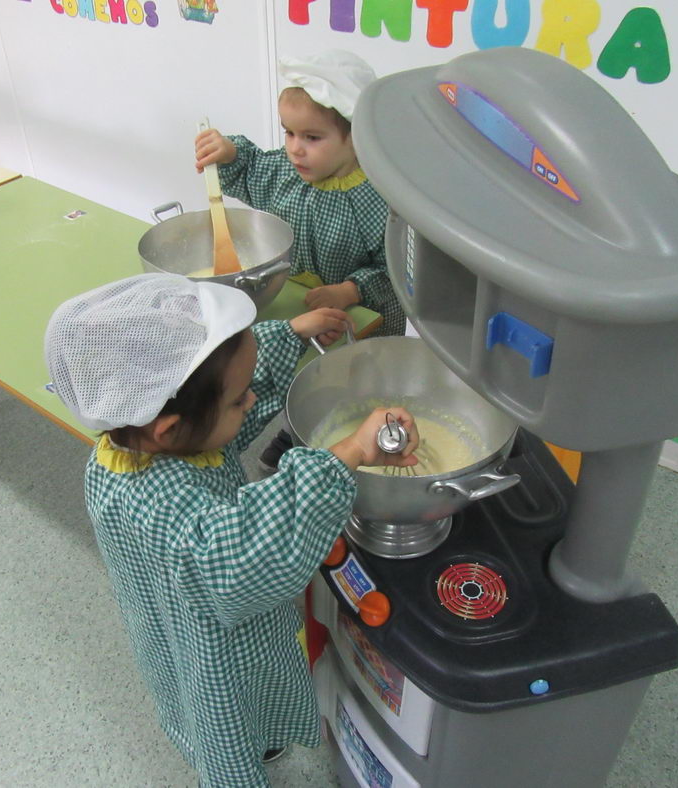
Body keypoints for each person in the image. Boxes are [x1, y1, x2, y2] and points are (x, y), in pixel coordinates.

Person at [44, 273, 419, 788]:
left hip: (170, 609)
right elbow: (246, 549)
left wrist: (291, 334)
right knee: (225, 719)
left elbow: (216, 400)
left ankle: (262, 737)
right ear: (170, 429)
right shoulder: (171, 513)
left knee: (240, 701)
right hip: (212, 644)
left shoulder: (131, 443)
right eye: (242, 399)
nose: (251, 405)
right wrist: (351, 452)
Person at [194, 49, 404, 338]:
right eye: (289, 132)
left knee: (357, 375)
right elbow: (250, 169)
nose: (295, 148)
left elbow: (396, 268)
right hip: (296, 310)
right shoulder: (283, 171)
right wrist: (230, 153)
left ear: (358, 137)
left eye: (312, 137)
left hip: (360, 321)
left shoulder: (380, 197)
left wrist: (350, 290)